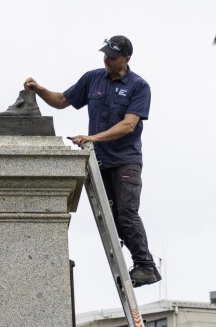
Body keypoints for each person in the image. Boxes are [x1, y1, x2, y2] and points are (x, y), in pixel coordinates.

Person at [25, 35, 159, 287]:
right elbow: (63, 101)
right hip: (101, 163)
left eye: (113, 56)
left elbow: (129, 125)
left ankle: (145, 266)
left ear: (126, 59)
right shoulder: (93, 78)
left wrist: (92, 138)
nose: (106, 59)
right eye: (105, 55)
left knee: (126, 214)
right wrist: (39, 89)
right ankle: (138, 263)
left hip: (125, 161)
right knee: (112, 217)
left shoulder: (138, 86)